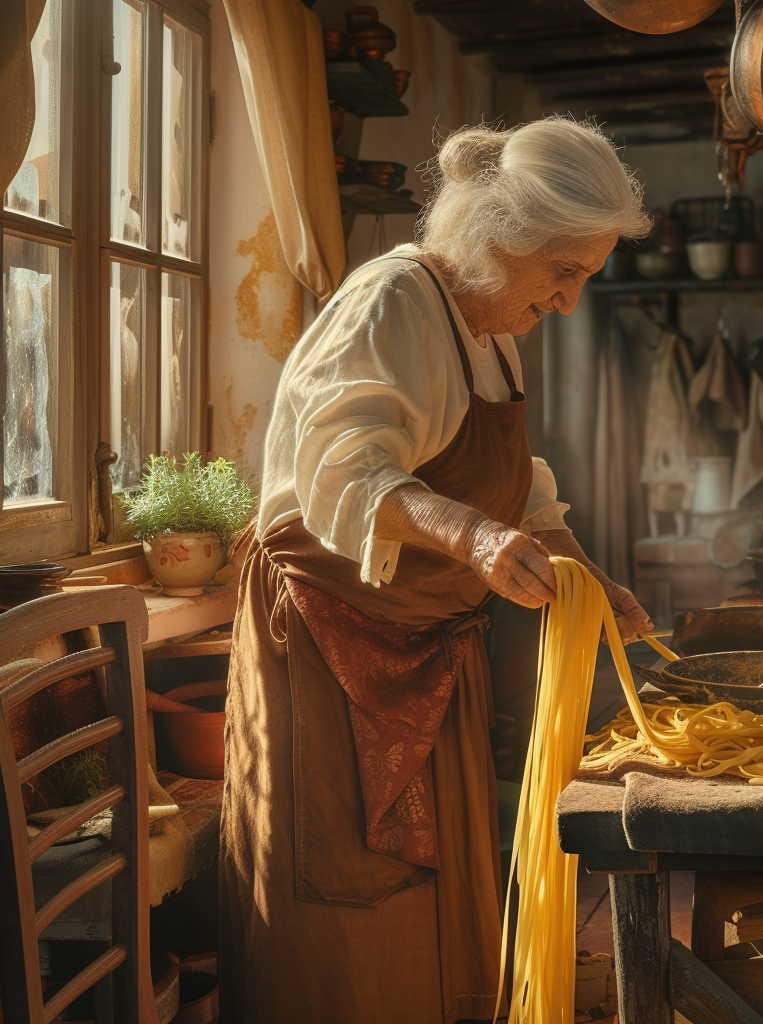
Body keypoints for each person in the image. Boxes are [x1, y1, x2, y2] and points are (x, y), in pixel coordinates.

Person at [220, 117, 652, 1024]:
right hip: (330, 647)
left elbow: (518, 493)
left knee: (432, 901)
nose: (570, 302)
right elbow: (348, 470)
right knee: (347, 907)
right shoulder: (392, 304)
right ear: (501, 236)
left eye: (584, 276)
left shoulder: (489, 326)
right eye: (563, 272)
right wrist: (476, 541)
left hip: (423, 644)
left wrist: (589, 577)